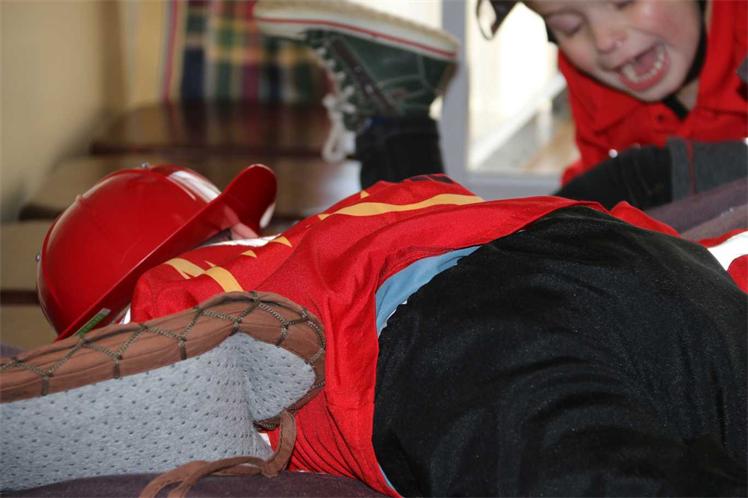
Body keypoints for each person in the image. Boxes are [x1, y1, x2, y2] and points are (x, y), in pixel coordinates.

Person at [2, 173, 746, 496]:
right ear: (235, 219)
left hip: (460, 324)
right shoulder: (358, 217)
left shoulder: (187, 292)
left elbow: (170, 343)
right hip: (640, 261)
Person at [252, 0, 748, 209]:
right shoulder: (593, 73)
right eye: (570, 26)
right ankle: (395, 121)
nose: (605, 39)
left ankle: (398, 121)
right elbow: (598, 200)